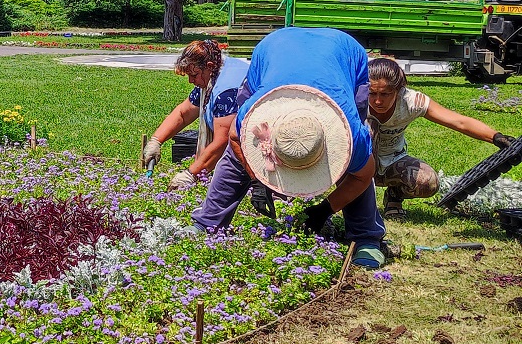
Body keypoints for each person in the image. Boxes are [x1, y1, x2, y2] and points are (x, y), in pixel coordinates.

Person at [185, 27, 387, 268]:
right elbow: (235, 138)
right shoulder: (251, 119)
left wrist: (324, 209)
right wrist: (257, 177)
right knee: (237, 157)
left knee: (351, 162)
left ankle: (366, 238)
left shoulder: (350, 134)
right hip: (274, 47)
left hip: (343, 50)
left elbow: (363, 176)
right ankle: (207, 222)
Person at [367, 57, 515, 220]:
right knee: (368, 127)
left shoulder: (411, 101)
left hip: (391, 162)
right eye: (372, 93)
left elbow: (458, 122)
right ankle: (358, 203)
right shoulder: (356, 100)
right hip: (359, 163)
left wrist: (496, 137)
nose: (378, 101)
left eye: (385, 94)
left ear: (398, 90)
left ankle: (394, 196)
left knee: (428, 182)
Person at [142, 40, 250, 190]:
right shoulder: (212, 75)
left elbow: (222, 142)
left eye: (194, 75)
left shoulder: (227, 91)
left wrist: (190, 174)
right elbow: (183, 113)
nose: (191, 80)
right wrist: (156, 141)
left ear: (209, 67)